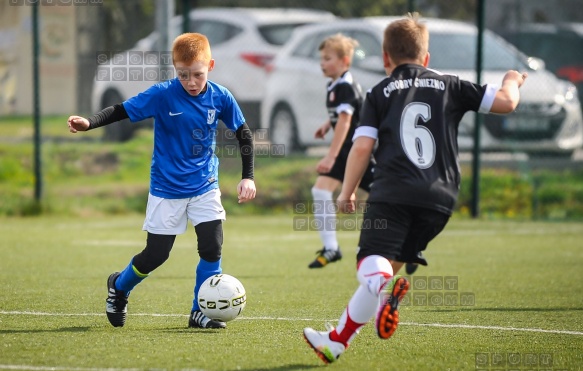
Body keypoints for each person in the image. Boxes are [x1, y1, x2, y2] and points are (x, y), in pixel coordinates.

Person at [303, 13, 527, 363]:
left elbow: (361, 148)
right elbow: (507, 103)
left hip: (393, 192)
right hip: (441, 199)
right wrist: (512, 79)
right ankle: (336, 341)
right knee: (384, 267)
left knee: (369, 265)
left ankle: (382, 291)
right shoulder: (451, 84)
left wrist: (347, 192)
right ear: (426, 58)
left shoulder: (379, 92)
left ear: (385, 58)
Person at [67, 33, 256, 329]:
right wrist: (90, 122)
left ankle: (199, 312)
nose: (191, 82)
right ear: (174, 69)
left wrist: (248, 177)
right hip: (167, 189)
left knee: (211, 246)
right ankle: (119, 285)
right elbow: (122, 110)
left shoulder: (221, 96)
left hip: (205, 185)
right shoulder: (163, 94)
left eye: (197, 74)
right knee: (156, 255)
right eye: (183, 75)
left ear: (211, 66)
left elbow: (243, 134)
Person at [307, 33, 375, 269]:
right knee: (320, 191)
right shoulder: (335, 84)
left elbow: (347, 122)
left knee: (386, 198)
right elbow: (343, 116)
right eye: (322, 58)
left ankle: (407, 243)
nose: (322, 63)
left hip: (358, 151)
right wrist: (328, 124)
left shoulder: (345, 86)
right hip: (348, 150)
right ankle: (331, 248)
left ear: (345, 61)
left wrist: (331, 156)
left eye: (328, 58)